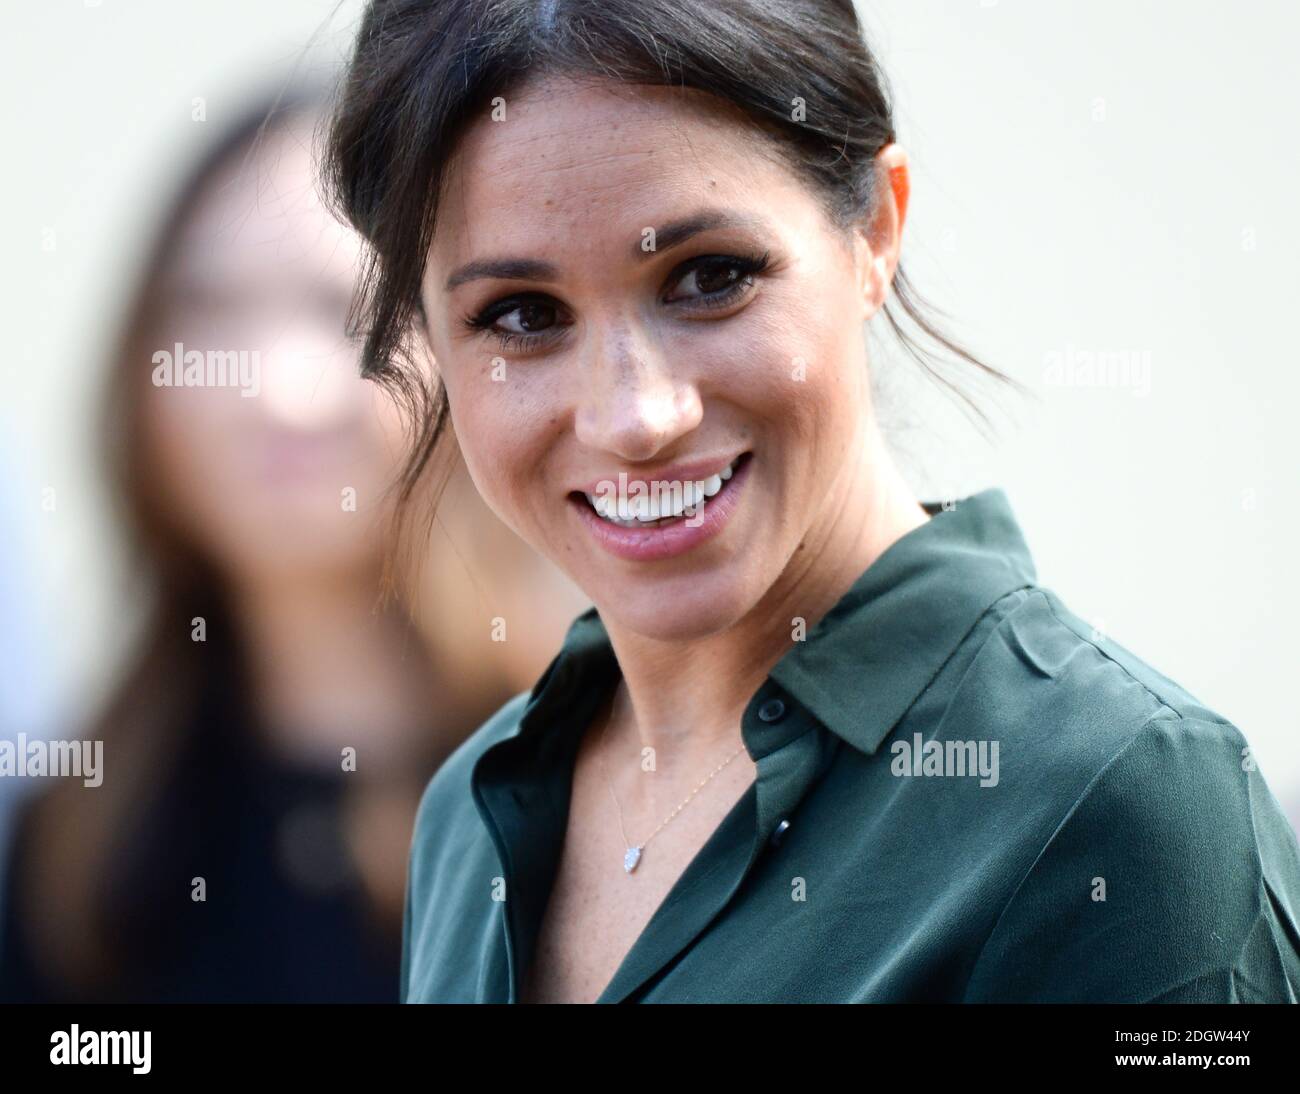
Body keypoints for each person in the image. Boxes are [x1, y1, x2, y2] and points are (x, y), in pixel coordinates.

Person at [321, 0, 1300, 1003]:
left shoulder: (1116, 802)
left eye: (709, 277)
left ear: (876, 225)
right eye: (521, 315)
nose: (636, 415)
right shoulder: (470, 814)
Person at [0, 86, 585, 1003]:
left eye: (341, 310)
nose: (274, 388)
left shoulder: (600, 787)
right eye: (211, 309)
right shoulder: (72, 849)